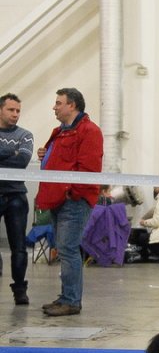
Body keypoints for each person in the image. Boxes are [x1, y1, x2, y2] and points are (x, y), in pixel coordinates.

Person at [35, 88, 103, 316]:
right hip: (58, 199)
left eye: (58, 103)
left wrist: (70, 194)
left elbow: (89, 169)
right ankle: (66, 297)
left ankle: (72, 301)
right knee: (64, 249)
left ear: (71, 105)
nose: (55, 107)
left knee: (68, 249)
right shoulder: (60, 132)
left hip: (73, 200)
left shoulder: (89, 131)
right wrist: (46, 154)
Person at [0, 93, 34, 305]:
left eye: (18, 111)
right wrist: (10, 152)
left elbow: (22, 160)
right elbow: (15, 156)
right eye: (11, 110)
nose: (15, 114)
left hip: (16, 195)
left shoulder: (25, 134)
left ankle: (19, 288)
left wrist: (11, 155)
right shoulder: (18, 139)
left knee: (19, 247)